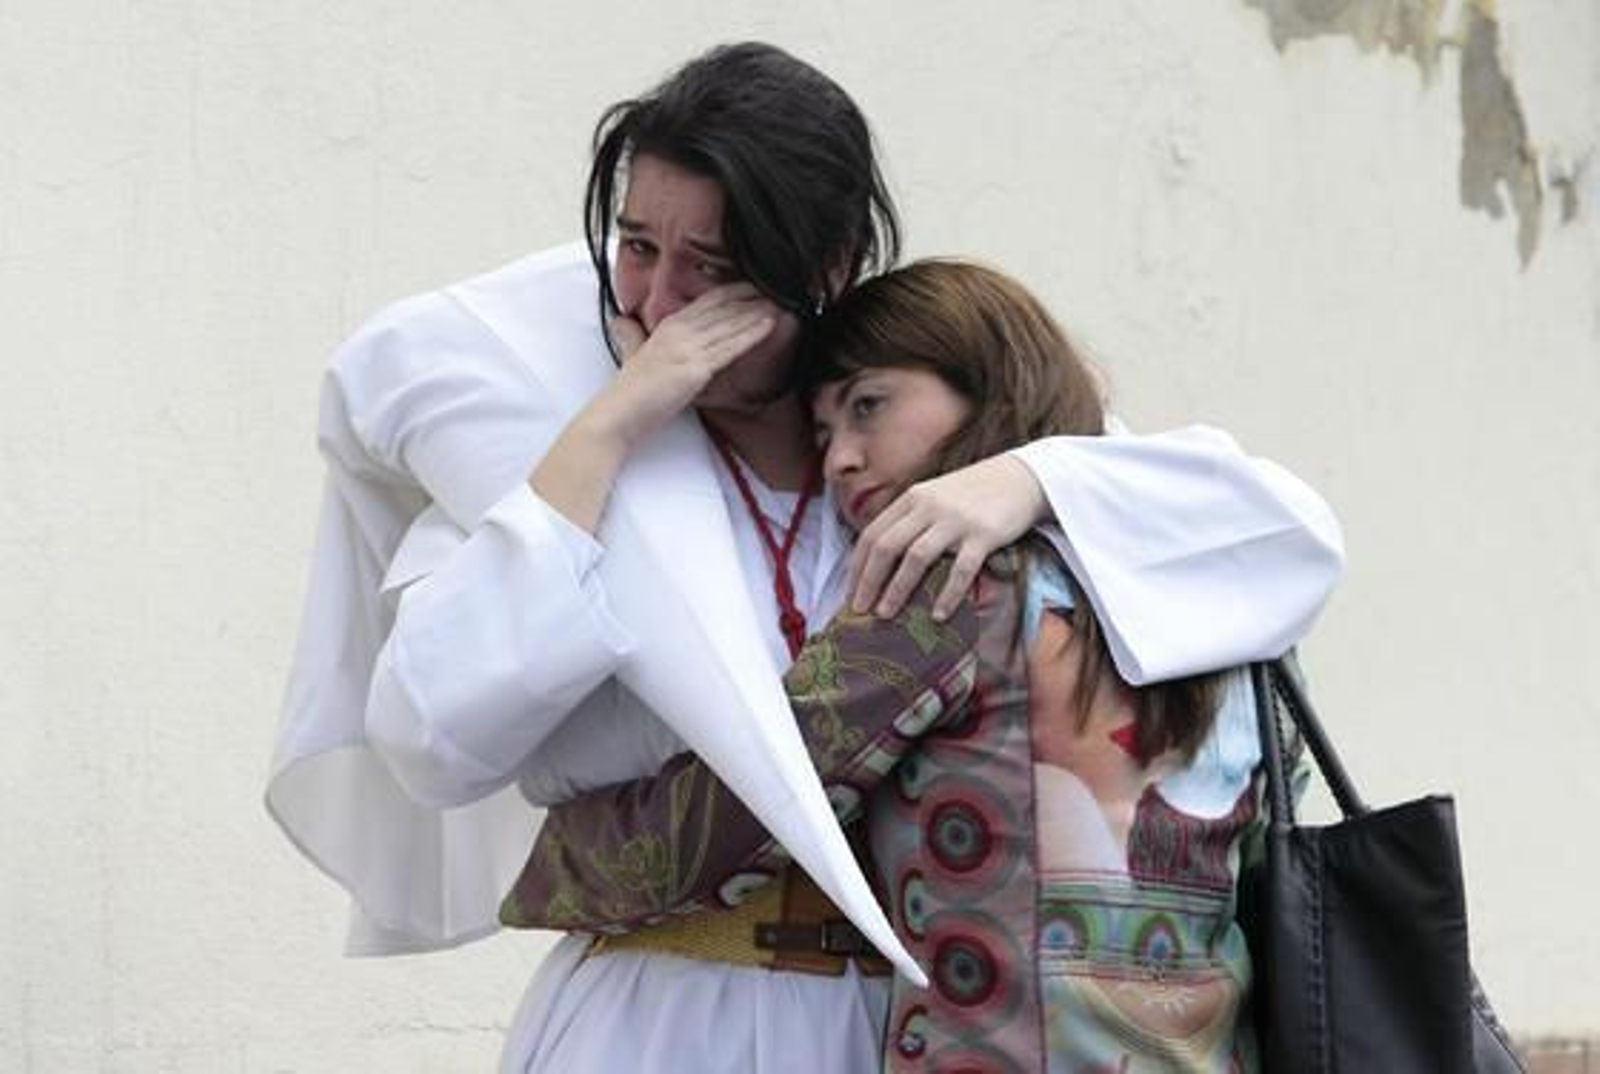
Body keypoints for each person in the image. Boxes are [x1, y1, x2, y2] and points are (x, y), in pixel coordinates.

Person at [265, 43, 1340, 1072]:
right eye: (636, 247)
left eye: (712, 269)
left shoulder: (917, 448)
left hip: (907, 1026)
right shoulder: (552, 451)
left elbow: (1275, 534)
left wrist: (1032, 479)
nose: (655, 305)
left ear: (822, 267)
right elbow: (429, 739)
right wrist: (610, 426)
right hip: (660, 1014)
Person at [504, 260, 1271, 1071]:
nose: (839, 460)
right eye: (826, 432)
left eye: (869, 406)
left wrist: (542, 860)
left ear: (991, 387)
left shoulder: (945, 591)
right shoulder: (1209, 588)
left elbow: (746, 811)